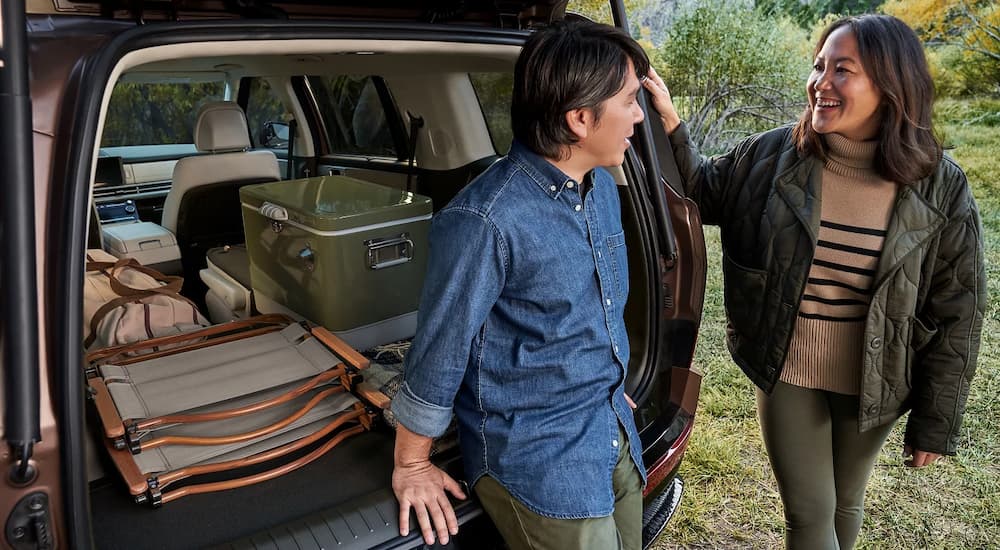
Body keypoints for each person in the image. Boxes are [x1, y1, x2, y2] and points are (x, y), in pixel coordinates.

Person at [643, 13, 985, 550]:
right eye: (819, 66)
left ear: (891, 85)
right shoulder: (773, 156)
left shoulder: (940, 185)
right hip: (788, 365)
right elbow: (702, 191)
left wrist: (937, 423)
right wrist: (668, 124)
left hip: (877, 374)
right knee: (809, 513)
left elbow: (957, 311)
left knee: (845, 502)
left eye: (842, 70)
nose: (820, 83)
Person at [390, 20, 650, 550]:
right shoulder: (484, 221)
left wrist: (607, 373)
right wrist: (412, 462)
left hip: (610, 426)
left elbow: (591, 308)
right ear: (580, 119)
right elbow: (441, 346)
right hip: (541, 459)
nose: (639, 116)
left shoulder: (599, 187)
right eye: (629, 101)